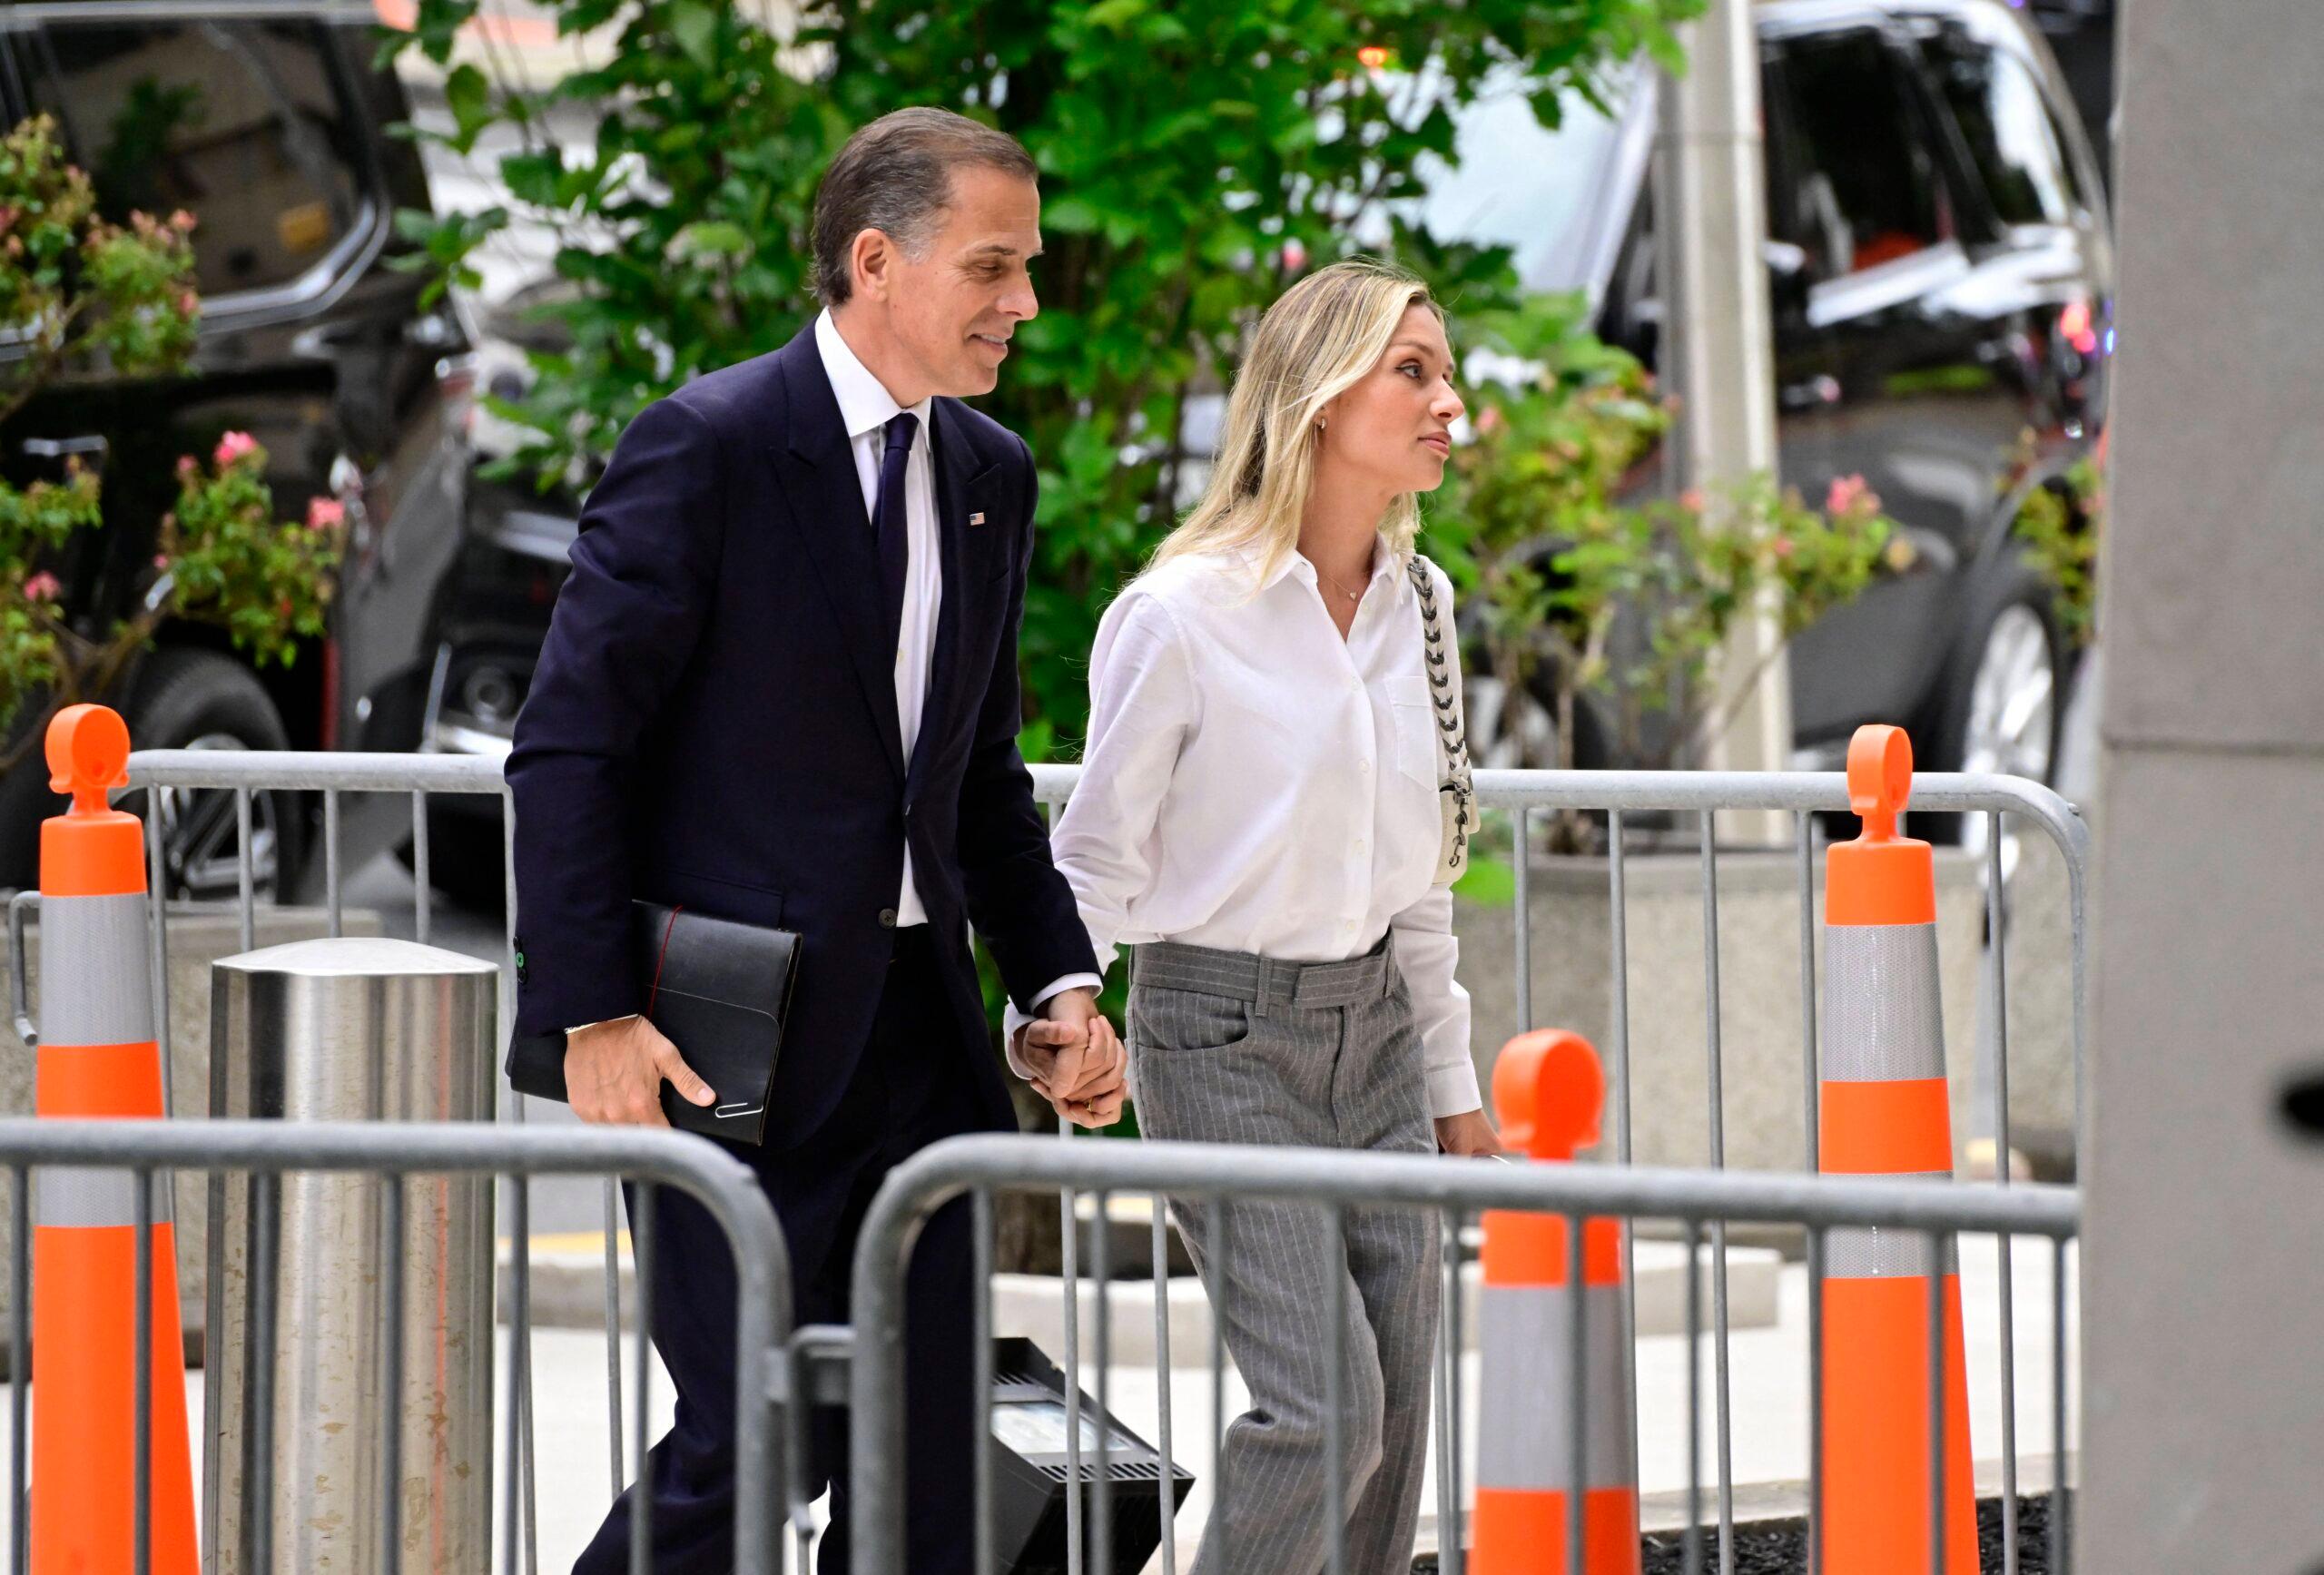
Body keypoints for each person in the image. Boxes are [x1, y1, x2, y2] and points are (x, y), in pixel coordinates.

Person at [507, 107, 1128, 1575]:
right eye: (992, 267)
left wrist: (1059, 987)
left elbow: (976, 773)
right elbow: (570, 744)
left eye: (1028, 268)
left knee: (916, 1475)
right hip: (733, 1053)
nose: (1024, 304)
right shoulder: (709, 448)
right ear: (874, 261)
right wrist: (592, 1011)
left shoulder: (991, 475)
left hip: (925, 1048)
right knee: (749, 1447)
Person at [1012, 258, 1504, 1574]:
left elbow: (1419, 884)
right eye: (1415, 370)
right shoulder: (1179, 616)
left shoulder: (1426, 611)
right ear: (1318, 398)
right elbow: (1098, 855)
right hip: (1221, 1040)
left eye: (1445, 370)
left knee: (1394, 1422)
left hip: (1383, 1042)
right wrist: (1059, 1015)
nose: (1450, 400)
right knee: (1325, 1412)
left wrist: (1453, 1088)